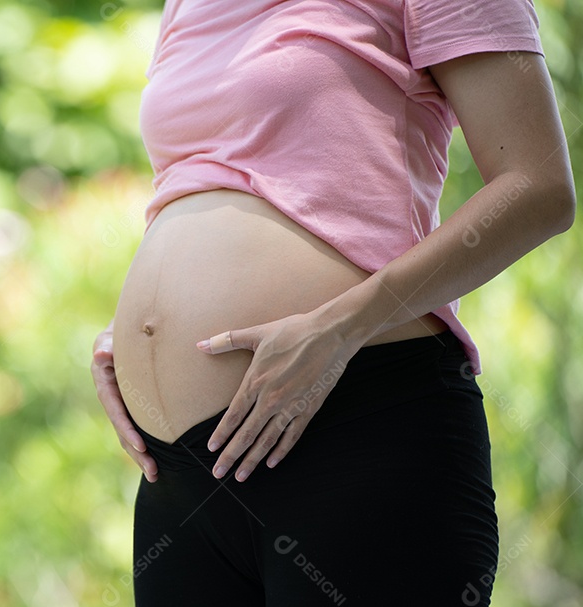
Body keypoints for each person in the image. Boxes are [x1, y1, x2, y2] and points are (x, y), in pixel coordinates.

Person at [90, 0, 576, 604]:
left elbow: (538, 187)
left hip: (358, 426)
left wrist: (338, 328)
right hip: (181, 474)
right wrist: (134, 334)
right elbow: (199, 179)